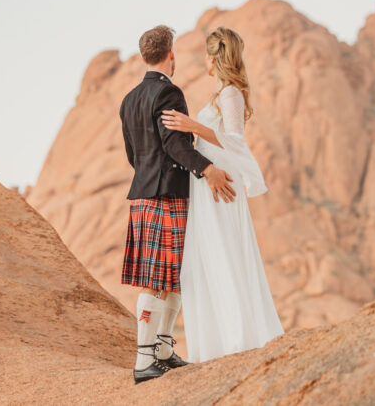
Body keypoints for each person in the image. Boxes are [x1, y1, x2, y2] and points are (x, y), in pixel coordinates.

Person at [118, 25, 235, 384]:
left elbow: (131, 154)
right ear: (172, 54)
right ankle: (143, 362)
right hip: (165, 195)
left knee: (171, 278)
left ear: (143, 58)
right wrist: (207, 169)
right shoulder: (169, 93)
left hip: (143, 192)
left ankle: (164, 351)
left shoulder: (129, 99)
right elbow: (174, 144)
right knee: (156, 281)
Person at [161, 26, 284, 362]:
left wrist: (192, 127)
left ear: (215, 57)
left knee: (223, 254)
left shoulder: (231, 94)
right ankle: (215, 344)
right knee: (207, 258)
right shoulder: (220, 95)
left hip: (220, 188)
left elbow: (235, 141)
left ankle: (236, 340)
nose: (204, 60)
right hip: (207, 187)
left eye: (207, 53)